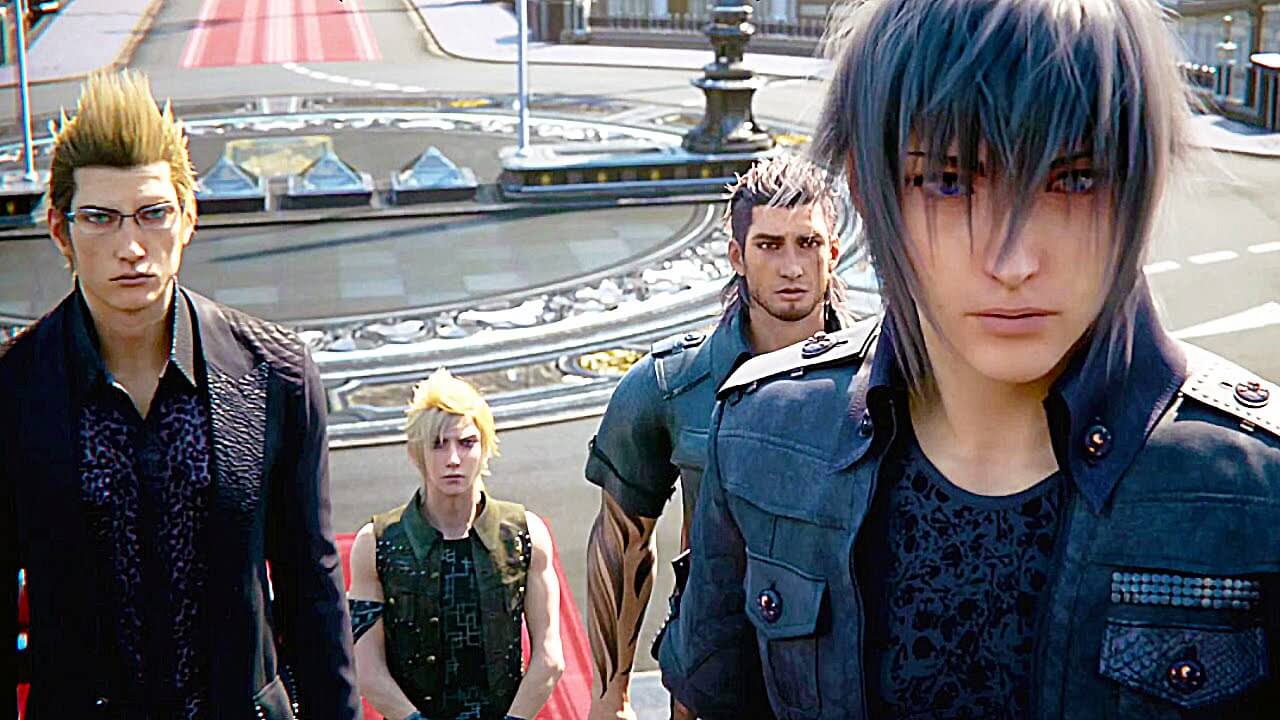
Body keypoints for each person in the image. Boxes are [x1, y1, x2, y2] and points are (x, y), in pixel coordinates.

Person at [659, 0, 1280, 717]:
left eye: (1075, 179)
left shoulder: (1260, 490)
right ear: (868, 189)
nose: (1012, 262)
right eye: (950, 182)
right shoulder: (764, 436)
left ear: (1143, 183)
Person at [0, 71, 359, 718]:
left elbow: (313, 588)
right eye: (100, 219)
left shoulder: (276, 374)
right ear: (60, 230)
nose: (131, 247)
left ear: (188, 217)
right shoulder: (14, 391)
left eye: (153, 214)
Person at [586, 154, 856, 720]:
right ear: (737, 256)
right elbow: (622, 540)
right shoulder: (670, 387)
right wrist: (611, 697)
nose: (791, 266)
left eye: (807, 243)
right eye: (769, 245)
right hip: (713, 679)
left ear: (832, 252)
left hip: (843, 676)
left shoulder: (885, 381)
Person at [347, 368, 564, 720]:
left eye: (466, 443)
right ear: (416, 452)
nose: (452, 459)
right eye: (438, 444)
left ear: (484, 447)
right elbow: (366, 668)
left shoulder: (524, 534)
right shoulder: (376, 543)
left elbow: (549, 657)